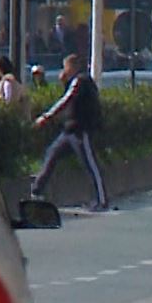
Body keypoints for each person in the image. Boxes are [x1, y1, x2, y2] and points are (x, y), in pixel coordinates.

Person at [31, 55, 108, 212]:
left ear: (72, 67)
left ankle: (102, 200)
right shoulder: (74, 82)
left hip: (81, 130)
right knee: (51, 154)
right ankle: (36, 191)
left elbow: (66, 100)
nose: (63, 70)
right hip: (69, 130)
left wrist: (46, 117)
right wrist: (64, 82)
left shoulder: (82, 81)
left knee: (90, 164)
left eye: (65, 67)